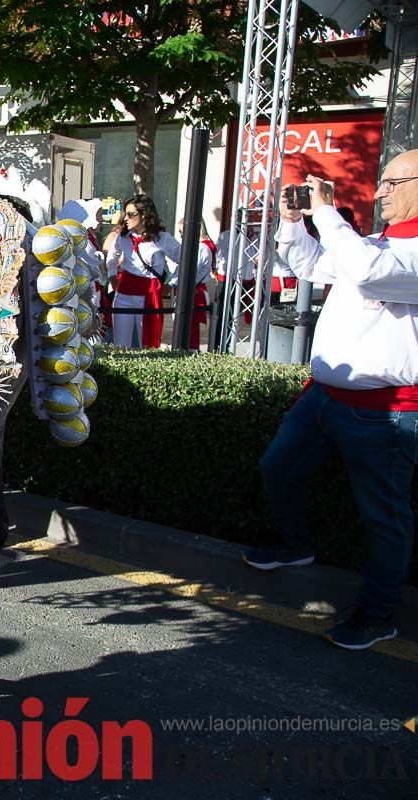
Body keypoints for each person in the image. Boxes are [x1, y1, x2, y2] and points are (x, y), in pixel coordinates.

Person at [242, 154, 418, 651]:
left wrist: (325, 212)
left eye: (392, 182)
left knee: (384, 517)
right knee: (277, 466)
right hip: (324, 399)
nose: (380, 192)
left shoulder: (392, 253)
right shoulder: (377, 244)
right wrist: (294, 223)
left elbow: (365, 273)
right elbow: (309, 264)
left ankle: (378, 613)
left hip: (386, 411)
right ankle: (295, 545)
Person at [105, 194, 181, 349]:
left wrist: (172, 283)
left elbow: (184, 261)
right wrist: (112, 276)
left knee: (146, 344)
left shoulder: (162, 238)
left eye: (131, 214)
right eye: (125, 214)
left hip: (147, 296)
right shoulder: (123, 237)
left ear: (144, 215)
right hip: (123, 294)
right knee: (120, 344)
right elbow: (112, 258)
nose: (126, 218)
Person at [175, 218, 216, 350]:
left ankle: (188, 352)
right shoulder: (204, 246)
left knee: (189, 327)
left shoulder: (201, 247)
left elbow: (190, 270)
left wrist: (173, 282)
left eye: (182, 231)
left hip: (193, 291)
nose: (181, 235)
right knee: (188, 326)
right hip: (194, 289)